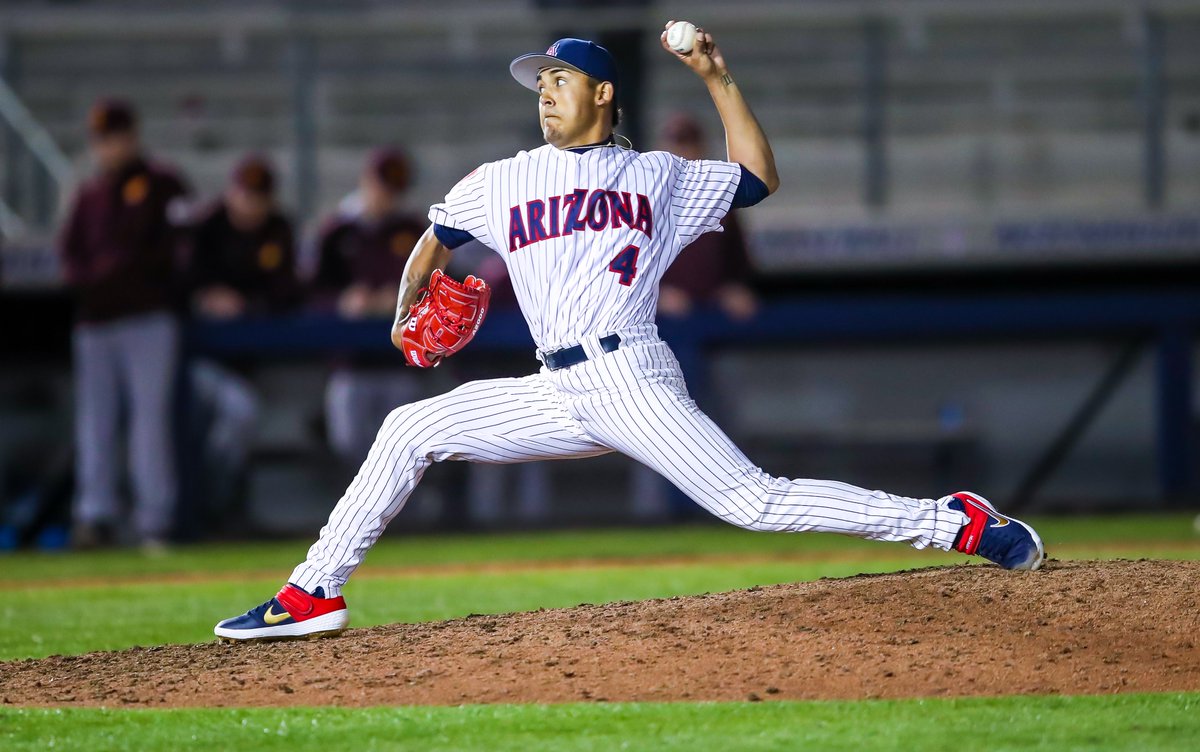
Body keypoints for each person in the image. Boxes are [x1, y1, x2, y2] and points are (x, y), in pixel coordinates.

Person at [215, 25, 1044, 642]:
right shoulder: (503, 180)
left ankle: (954, 521)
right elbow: (435, 236)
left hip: (633, 378)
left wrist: (716, 77)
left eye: (562, 77)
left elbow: (758, 177)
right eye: (539, 79)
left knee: (751, 502)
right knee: (409, 428)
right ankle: (312, 592)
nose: (544, 89)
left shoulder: (657, 175)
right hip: (558, 387)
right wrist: (406, 309)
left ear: (604, 94)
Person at [59, 98, 190, 550]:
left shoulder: (161, 184)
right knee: (96, 421)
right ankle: (95, 517)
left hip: (148, 318)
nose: (108, 148)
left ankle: (154, 521)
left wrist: (115, 273)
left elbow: (173, 253)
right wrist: (100, 278)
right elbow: (70, 257)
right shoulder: (89, 193)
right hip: (96, 322)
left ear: (131, 137)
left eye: (114, 138)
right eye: (101, 140)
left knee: (148, 422)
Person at [186, 155, 301, 526]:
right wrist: (205, 297)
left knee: (239, 418)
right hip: (193, 358)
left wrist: (246, 305)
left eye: (259, 197)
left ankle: (220, 508)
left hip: (250, 360)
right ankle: (210, 508)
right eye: (245, 194)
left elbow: (288, 292)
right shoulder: (206, 226)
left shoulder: (277, 229)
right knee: (234, 415)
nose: (251, 204)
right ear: (231, 192)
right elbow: (181, 283)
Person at [311, 148, 428, 464]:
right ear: (367, 181)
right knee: (350, 451)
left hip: (399, 361)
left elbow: (436, 282)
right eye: (381, 186)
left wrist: (403, 297)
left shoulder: (412, 229)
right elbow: (310, 291)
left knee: (404, 454)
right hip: (349, 363)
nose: (386, 196)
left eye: (394, 190)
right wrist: (343, 302)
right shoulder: (338, 231)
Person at [656, 112, 757, 321]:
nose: (683, 152)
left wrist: (734, 288)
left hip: (713, 312)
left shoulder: (721, 199)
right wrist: (656, 294)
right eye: (677, 144)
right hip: (661, 320)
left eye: (688, 143)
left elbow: (737, 260)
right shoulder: (648, 199)